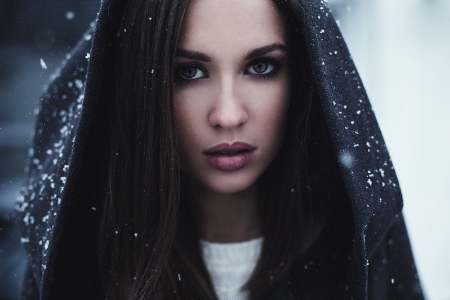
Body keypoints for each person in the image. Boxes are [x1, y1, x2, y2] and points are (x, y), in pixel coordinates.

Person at [15, 0, 424, 299]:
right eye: (188, 72)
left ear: (306, 77)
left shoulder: (358, 258)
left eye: (261, 67)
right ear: (139, 88)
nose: (227, 115)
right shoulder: (81, 273)